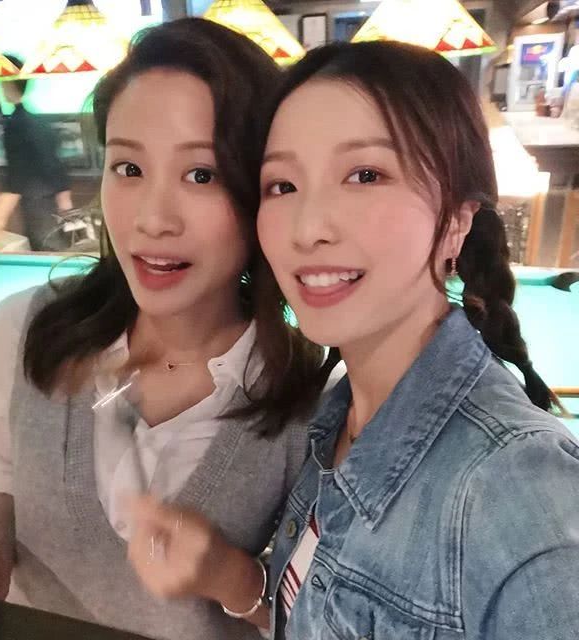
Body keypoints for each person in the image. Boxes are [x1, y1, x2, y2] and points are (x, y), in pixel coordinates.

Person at [126, 41, 579, 639]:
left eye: (365, 175)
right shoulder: (339, 421)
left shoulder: (516, 495)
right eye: (282, 185)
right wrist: (226, 574)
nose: (308, 228)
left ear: (456, 221)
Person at [0, 19, 331, 640]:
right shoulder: (19, 333)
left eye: (201, 174)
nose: (152, 219)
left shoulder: (317, 407)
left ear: (263, 190)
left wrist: (232, 577)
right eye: (128, 167)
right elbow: (1, 471)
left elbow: (326, 619)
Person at [0, 54, 72, 251]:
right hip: (48, 201)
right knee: (53, 248)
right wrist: (65, 201)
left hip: (36, 202)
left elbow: (16, 174)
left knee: (47, 250)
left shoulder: (16, 125)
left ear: (6, 84)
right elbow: (54, 164)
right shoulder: (39, 122)